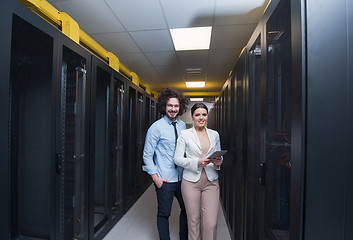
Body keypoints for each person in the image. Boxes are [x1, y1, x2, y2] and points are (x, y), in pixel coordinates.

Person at [142, 87, 189, 240]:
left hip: (182, 178)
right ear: (164, 106)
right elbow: (147, 155)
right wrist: (156, 178)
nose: (173, 109)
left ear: (180, 107)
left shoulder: (182, 126)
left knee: (187, 210)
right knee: (164, 213)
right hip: (165, 180)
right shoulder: (155, 128)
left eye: (176, 106)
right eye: (170, 106)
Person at [174, 103, 223, 240]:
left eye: (204, 114)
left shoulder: (214, 134)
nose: (201, 118)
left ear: (207, 116)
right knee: (193, 221)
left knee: (211, 223)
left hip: (211, 181)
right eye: (197, 115)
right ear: (192, 116)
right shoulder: (185, 134)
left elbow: (219, 155)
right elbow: (177, 158)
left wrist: (219, 162)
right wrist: (196, 162)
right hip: (190, 182)